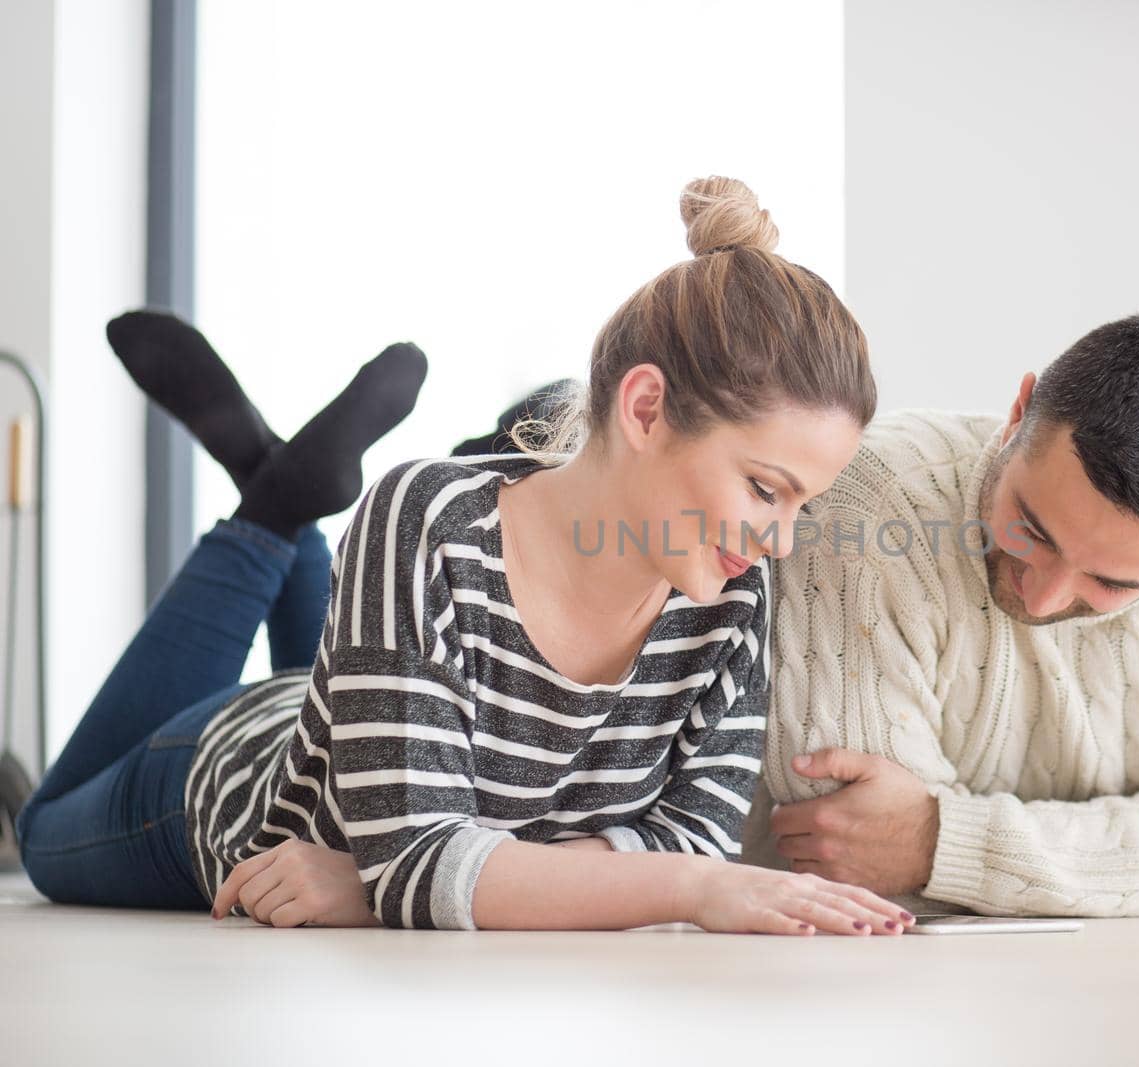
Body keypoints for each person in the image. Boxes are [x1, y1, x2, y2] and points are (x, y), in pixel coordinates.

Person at [19, 177, 912, 936]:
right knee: (42, 830)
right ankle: (271, 514)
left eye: (803, 502)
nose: (780, 540)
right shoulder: (430, 520)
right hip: (236, 776)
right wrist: (414, 878)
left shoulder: (733, 595)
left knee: (346, 710)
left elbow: (689, 831)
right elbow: (425, 858)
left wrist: (396, 882)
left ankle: (281, 490)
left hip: (368, 716)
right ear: (645, 409)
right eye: (764, 487)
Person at [742, 313, 1139, 918]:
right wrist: (1120, 863)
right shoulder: (871, 501)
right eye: (1031, 530)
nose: (1043, 598)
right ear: (1017, 415)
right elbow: (852, 848)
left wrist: (942, 842)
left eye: (1110, 582)